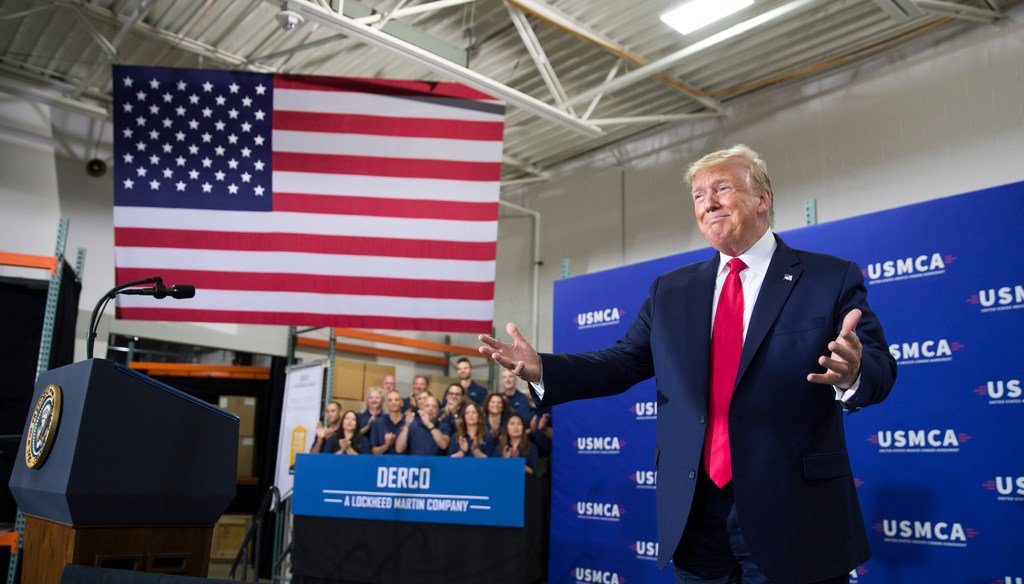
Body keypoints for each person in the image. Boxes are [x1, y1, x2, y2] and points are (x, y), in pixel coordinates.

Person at [479, 145, 897, 584]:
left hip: (795, 515)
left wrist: (854, 373)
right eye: (698, 195)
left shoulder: (829, 278)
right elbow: (623, 362)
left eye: (722, 188)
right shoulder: (671, 291)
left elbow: (881, 370)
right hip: (697, 517)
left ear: (763, 198)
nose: (708, 202)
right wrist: (543, 369)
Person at [369, 390, 405, 455]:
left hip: (405, 464)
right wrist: (386, 445)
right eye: (390, 400)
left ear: (402, 403)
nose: (393, 402)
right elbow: (374, 451)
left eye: (396, 400)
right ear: (386, 404)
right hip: (383, 463)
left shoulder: (409, 422)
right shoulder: (378, 423)